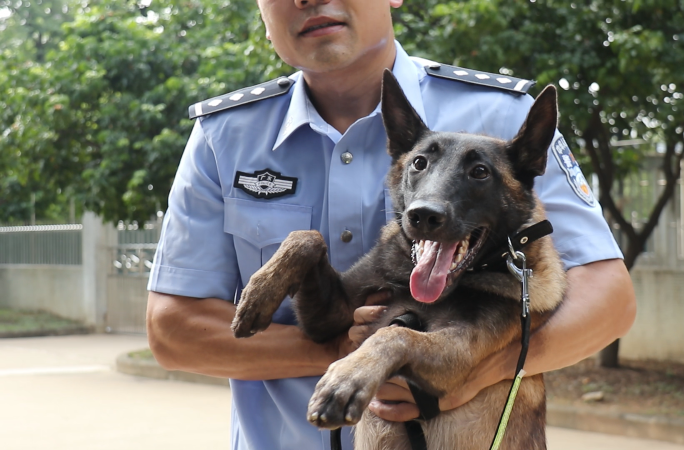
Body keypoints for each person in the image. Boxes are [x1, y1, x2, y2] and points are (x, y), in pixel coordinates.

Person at [146, 0, 637, 449]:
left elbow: (610, 301)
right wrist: (338, 353)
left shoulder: (504, 116)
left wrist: (481, 365)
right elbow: (173, 332)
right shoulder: (223, 136)